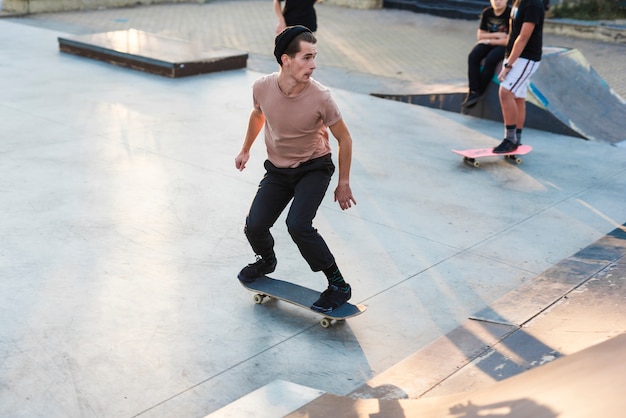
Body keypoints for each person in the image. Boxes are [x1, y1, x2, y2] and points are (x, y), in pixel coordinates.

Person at [235, 26, 357, 313]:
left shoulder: (321, 97)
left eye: (314, 57)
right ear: (285, 60)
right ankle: (266, 260)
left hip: (313, 168)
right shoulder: (262, 87)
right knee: (255, 225)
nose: (313, 65)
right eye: (306, 58)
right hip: (278, 170)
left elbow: (345, 138)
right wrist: (245, 149)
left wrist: (344, 182)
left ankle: (338, 284)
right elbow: (258, 114)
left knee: (298, 225)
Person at [493, 0, 545, 153]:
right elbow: (513, 32)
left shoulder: (533, 4)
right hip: (516, 56)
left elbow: (523, 37)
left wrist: (509, 64)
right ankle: (517, 138)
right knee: (518, 96)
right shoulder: (518, 1)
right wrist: (508, 57)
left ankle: (510, 139)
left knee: (505, 92)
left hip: (526, 58)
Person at [461, 0, 511, 108]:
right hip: (490, 42)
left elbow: (509, 40)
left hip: (502, 46)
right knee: (473, 56)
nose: (497, 2)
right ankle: (473, 91)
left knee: (491, 59)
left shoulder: (510, 14)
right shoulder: (487, 12)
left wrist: (489, 39)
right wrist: (498, 34)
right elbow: (480, 36)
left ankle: (480, 91)